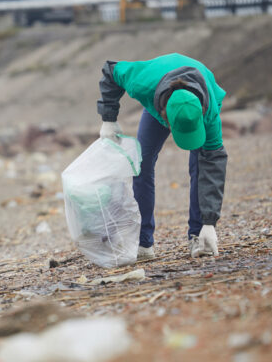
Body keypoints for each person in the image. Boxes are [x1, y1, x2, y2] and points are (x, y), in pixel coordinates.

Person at [95, 52, 228, 261]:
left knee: (201, 164)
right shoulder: (141, 82)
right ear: (165, 117)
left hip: (199, 95)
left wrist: (209, 222)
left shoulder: (209, 113)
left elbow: (214, 165)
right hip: (158, 90)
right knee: (141, 163)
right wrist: (108, 118)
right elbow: (111, 70)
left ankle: (198, 236)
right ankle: (143, 242)